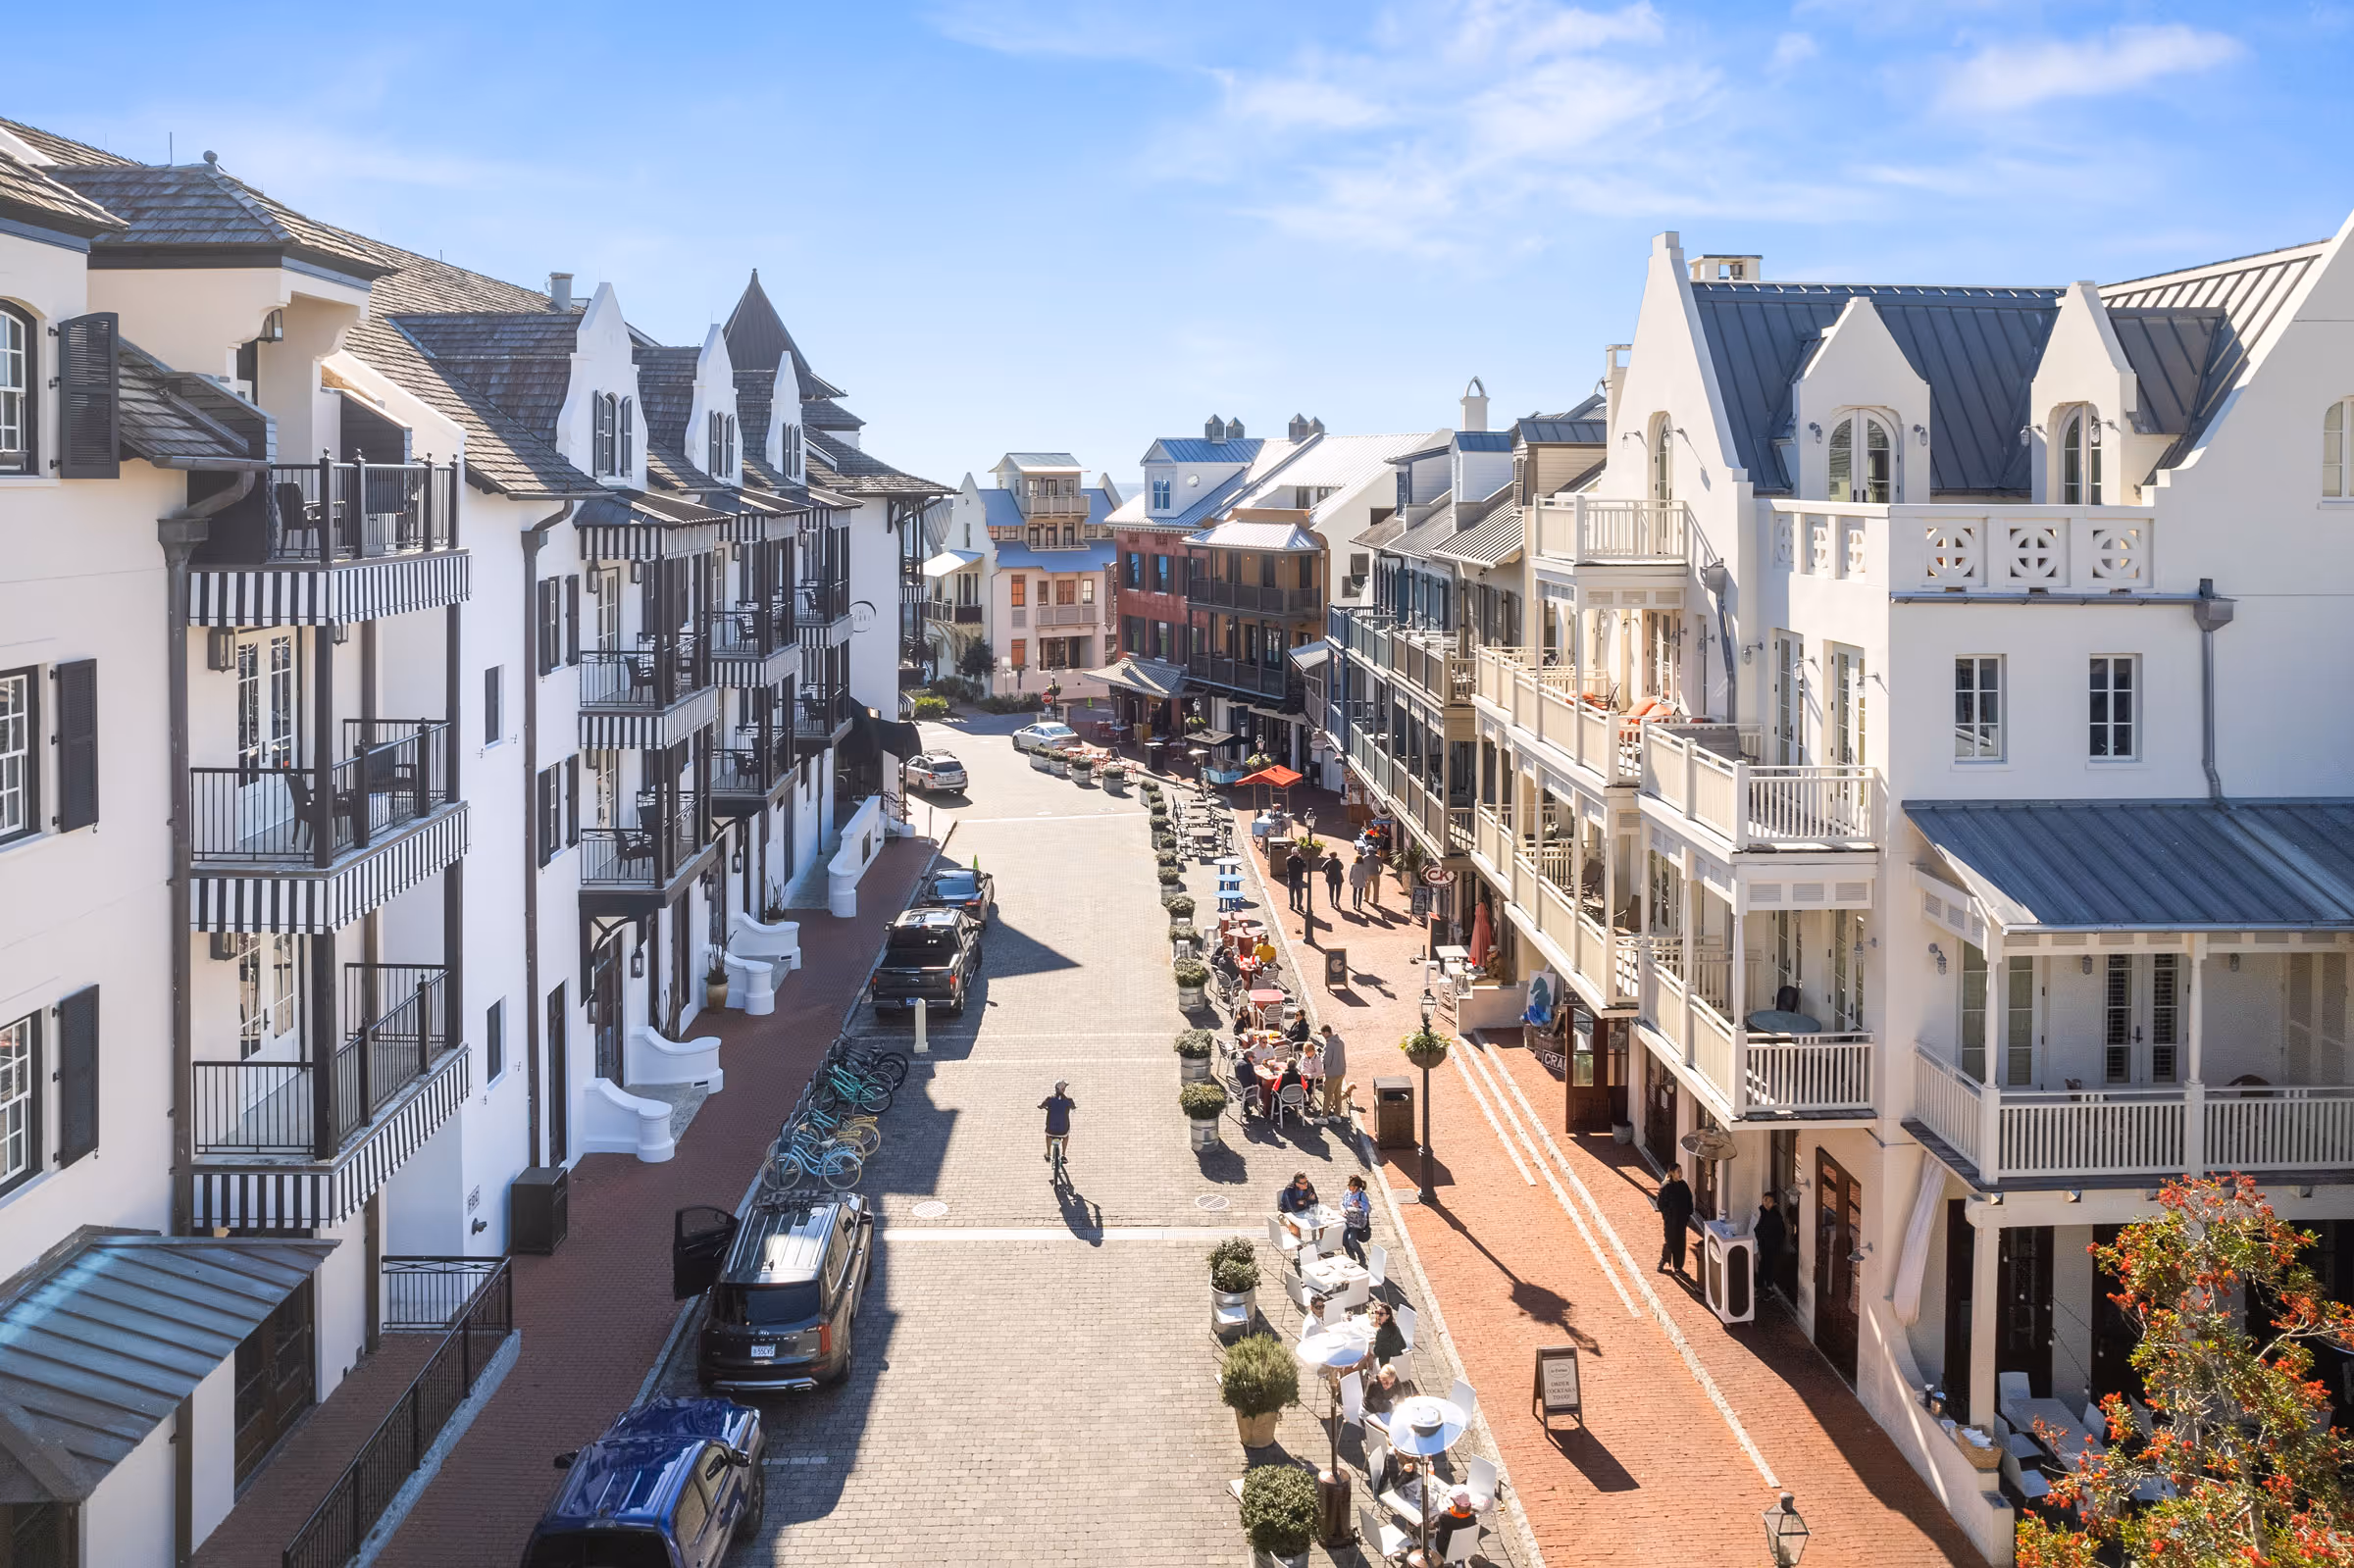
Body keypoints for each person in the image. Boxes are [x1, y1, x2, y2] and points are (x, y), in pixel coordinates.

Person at [1657, 1165, 1694, 1276]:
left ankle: (1678, 1267)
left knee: (1680, 1244)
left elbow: (1689, 1199)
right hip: (1670, 1221)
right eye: (1678, 1171)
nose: (1680, 1173)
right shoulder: (1666, 1186)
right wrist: (1668, 1215)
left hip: (1681, 1221)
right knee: (1670, 1242)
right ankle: (1663, 1260)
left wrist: (1688, 1213)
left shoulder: (1683, 1185)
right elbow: (1660, 1204)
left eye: (1681, 1171)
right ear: (1672, 1173)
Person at [1753, 1190, 1788, 1300]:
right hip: (1763, 1245)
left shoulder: (1776, 1216)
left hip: (1772, 1246)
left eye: (1770, 1201)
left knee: (1770, 1266)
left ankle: (1769, 1288)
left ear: (1774, 1203)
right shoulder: (1761, 1212)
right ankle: (1759, 1287)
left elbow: (1782, 1232)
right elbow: (1757, 1228)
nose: (1767, 1203)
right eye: (1765, 1200)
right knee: (1763, 1265)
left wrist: (1775, 1242)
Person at [1039, 1081, 1076, 1169]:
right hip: (1063, 1130)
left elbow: (1041, 1105)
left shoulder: (1049, 1099)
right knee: (1066, 1135)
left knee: (1048, 1135)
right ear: (1063, 1090)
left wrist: (1040, 1106)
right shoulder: (1068, 1100)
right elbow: (1073, 1107)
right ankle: (1063, 1154)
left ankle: (1048, 1154)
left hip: (1051, 1129)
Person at [1432, 1492, 1479, 1561]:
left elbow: (1434, 1524)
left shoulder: (1444, 1516)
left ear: (1454, 1503)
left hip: (1445, 1550)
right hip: (1464, 1549)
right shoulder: (1472, 1516)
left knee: (1434, 1529)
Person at [1340, 1174, 1373, 1264]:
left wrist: (1359, 1204)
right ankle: (1352, 1258)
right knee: (1343, 1239)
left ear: (1356, 1187)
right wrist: (1343, 1210)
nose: (1349, 1187)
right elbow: (1342, 1204)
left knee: (1352, 1240)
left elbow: (1368, 1209)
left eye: (1351, 1186)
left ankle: (1362, 1258)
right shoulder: (1347, 1192)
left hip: (1356, 1223)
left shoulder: (1362, 1195)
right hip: (1347, 1220)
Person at [1319, 1025, 1349, 1115]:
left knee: (1327, 1095)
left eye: (1323, 1034)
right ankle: (1337, 1115)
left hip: (1332, 1073)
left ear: (1326, 1033)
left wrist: (1321, 1059)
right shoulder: (1341, 1042)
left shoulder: (1329, 1045)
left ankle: (1324, 1116)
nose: (1323, 1036)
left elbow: (1327, 1061)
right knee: (1337, 1094)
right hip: (1341, 1071)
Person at [1366, 1300, 1406, 1366]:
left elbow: (1376, 1352)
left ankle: (1363, 1368)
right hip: (1398, 1362)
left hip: (1385, 1365)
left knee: (1368, 1347)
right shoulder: (1395, 1327)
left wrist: (1372, 1345)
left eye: (1381, 1314)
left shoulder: (1380, 1332)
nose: (1378, 1316)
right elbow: (1403, 1345)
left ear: (1387, 1316)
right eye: (1377, 1312)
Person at [1285, 846, 1307, 911]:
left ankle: (1292, 905)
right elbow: (1304, 865)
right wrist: (1300, 858)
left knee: (1291, 893)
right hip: (1299, 879)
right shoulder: (1300, 859)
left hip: (1291, 878)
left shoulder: (1288, 859)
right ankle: (1299, 906)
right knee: (1299, 894)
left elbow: (1287, 864)